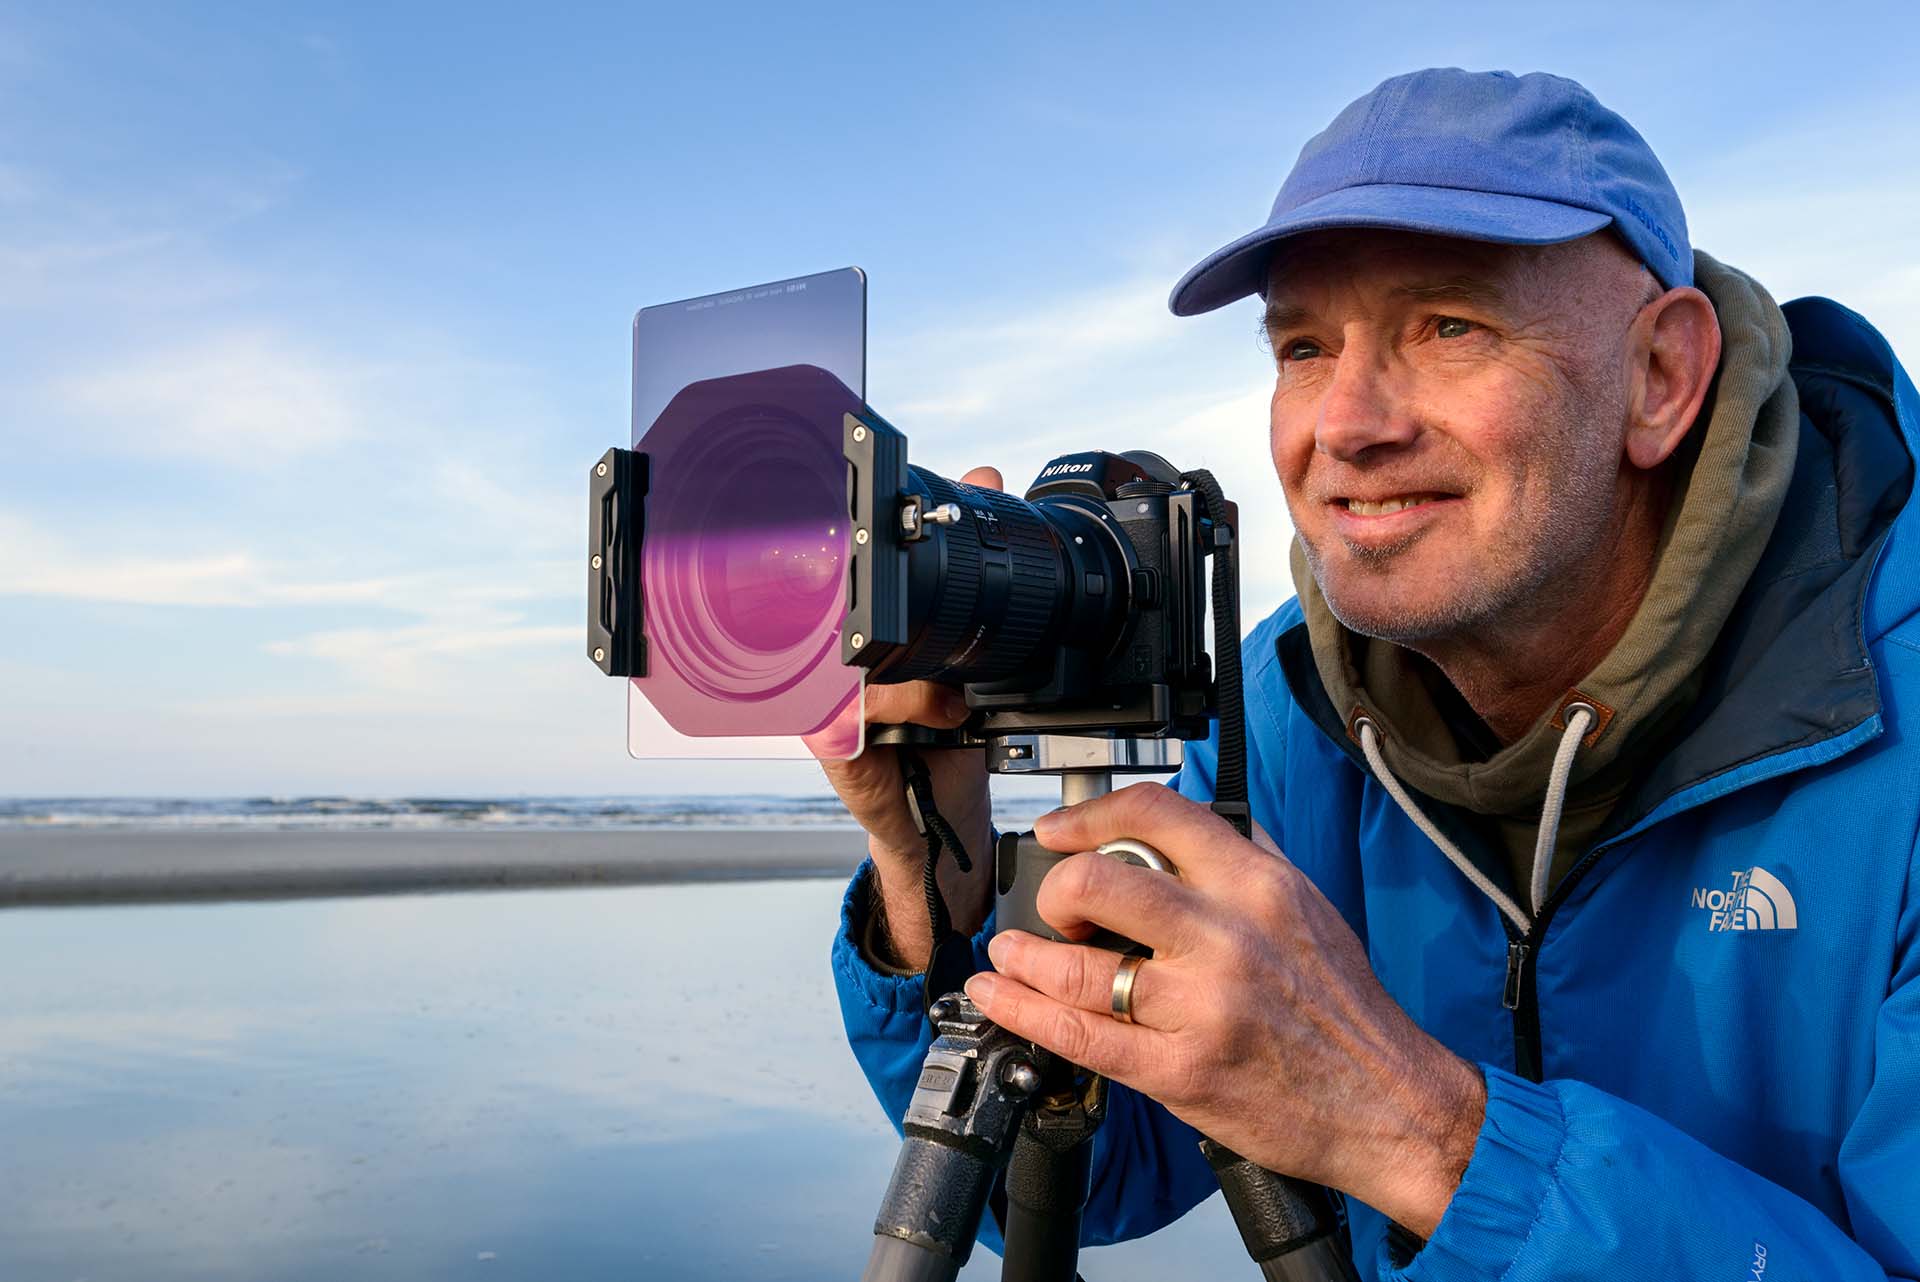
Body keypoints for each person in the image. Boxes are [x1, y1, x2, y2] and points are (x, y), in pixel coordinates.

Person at [821, 67, 1920, 1279]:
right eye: (1302, 345)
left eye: (1448, 325)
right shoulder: (1293, 709)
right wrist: (932, 855)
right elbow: (1100, 1169)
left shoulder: (1889, 709)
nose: (1343, 423)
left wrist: (1418, 1126)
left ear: (1660, 378)